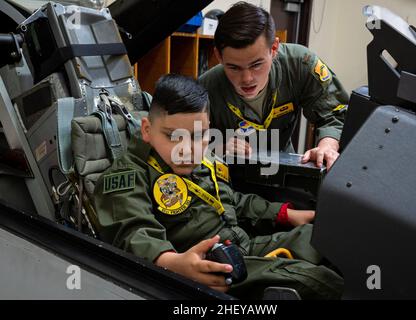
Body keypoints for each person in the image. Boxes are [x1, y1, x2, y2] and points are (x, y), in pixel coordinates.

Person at [93, 74, 343, 299]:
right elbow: (133, 234)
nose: (187, 149)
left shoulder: (204, 159)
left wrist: (285, 214)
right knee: (317, 281)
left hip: (240, 245)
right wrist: (175, 263)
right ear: (147, 130)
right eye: (173, 136)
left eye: (199, 135)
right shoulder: (127, 176)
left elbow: (232, 200)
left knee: (336, 236)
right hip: (205, 268)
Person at [199, 2, 349, 171]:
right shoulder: (205, 89)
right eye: (234, 67)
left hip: (284, 168)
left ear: (274, 48)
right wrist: (214, 148)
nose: (247, 78)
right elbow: (183, 145)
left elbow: (335, 112)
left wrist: (327, 145)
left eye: (256, 65)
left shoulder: (300, 65)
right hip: (231, 175)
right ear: (218, 56)